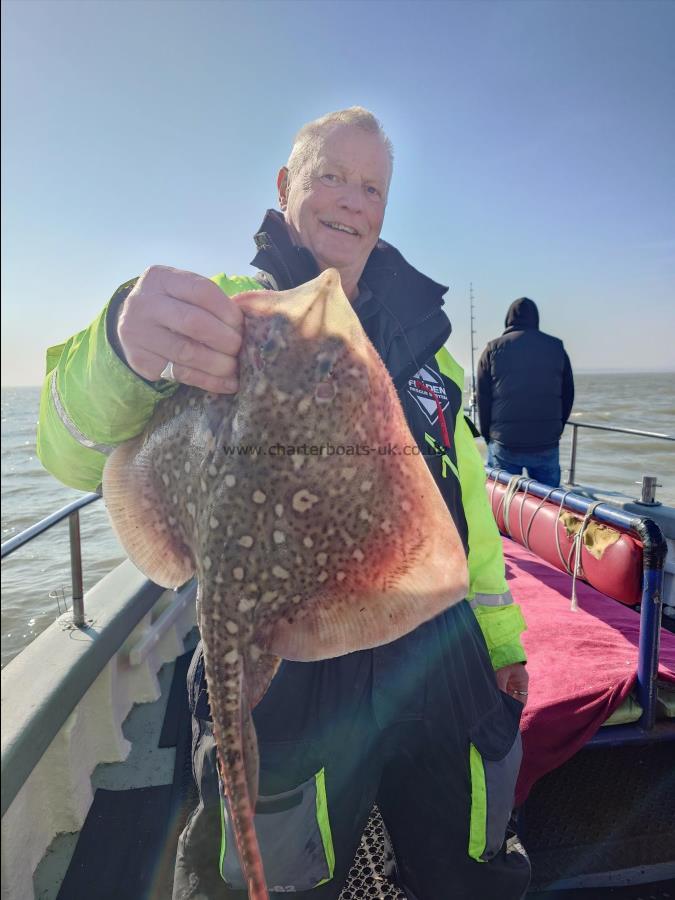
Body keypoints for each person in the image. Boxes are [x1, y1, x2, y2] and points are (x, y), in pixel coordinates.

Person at [37, 107, 531, 900]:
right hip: (288, 649)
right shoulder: (224, 312)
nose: (351, 198)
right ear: (285, 185)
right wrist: (122, 351)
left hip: (439, 649)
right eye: (330, 175)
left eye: (370, 185)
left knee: (468, 860)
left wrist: (501, 639)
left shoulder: (427, 343)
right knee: (278, 868)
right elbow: (68, 451)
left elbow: (465, 506)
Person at [476, 297, 574, 487]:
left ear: (508, 320)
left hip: (504, 443)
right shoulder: (557, 348)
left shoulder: (492, 350)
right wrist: (556, 428)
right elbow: (568, 394)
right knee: (549, 502)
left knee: (502, 502)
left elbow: (483, 398)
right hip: (546, 442)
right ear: (535, 319)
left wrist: (488, 435)